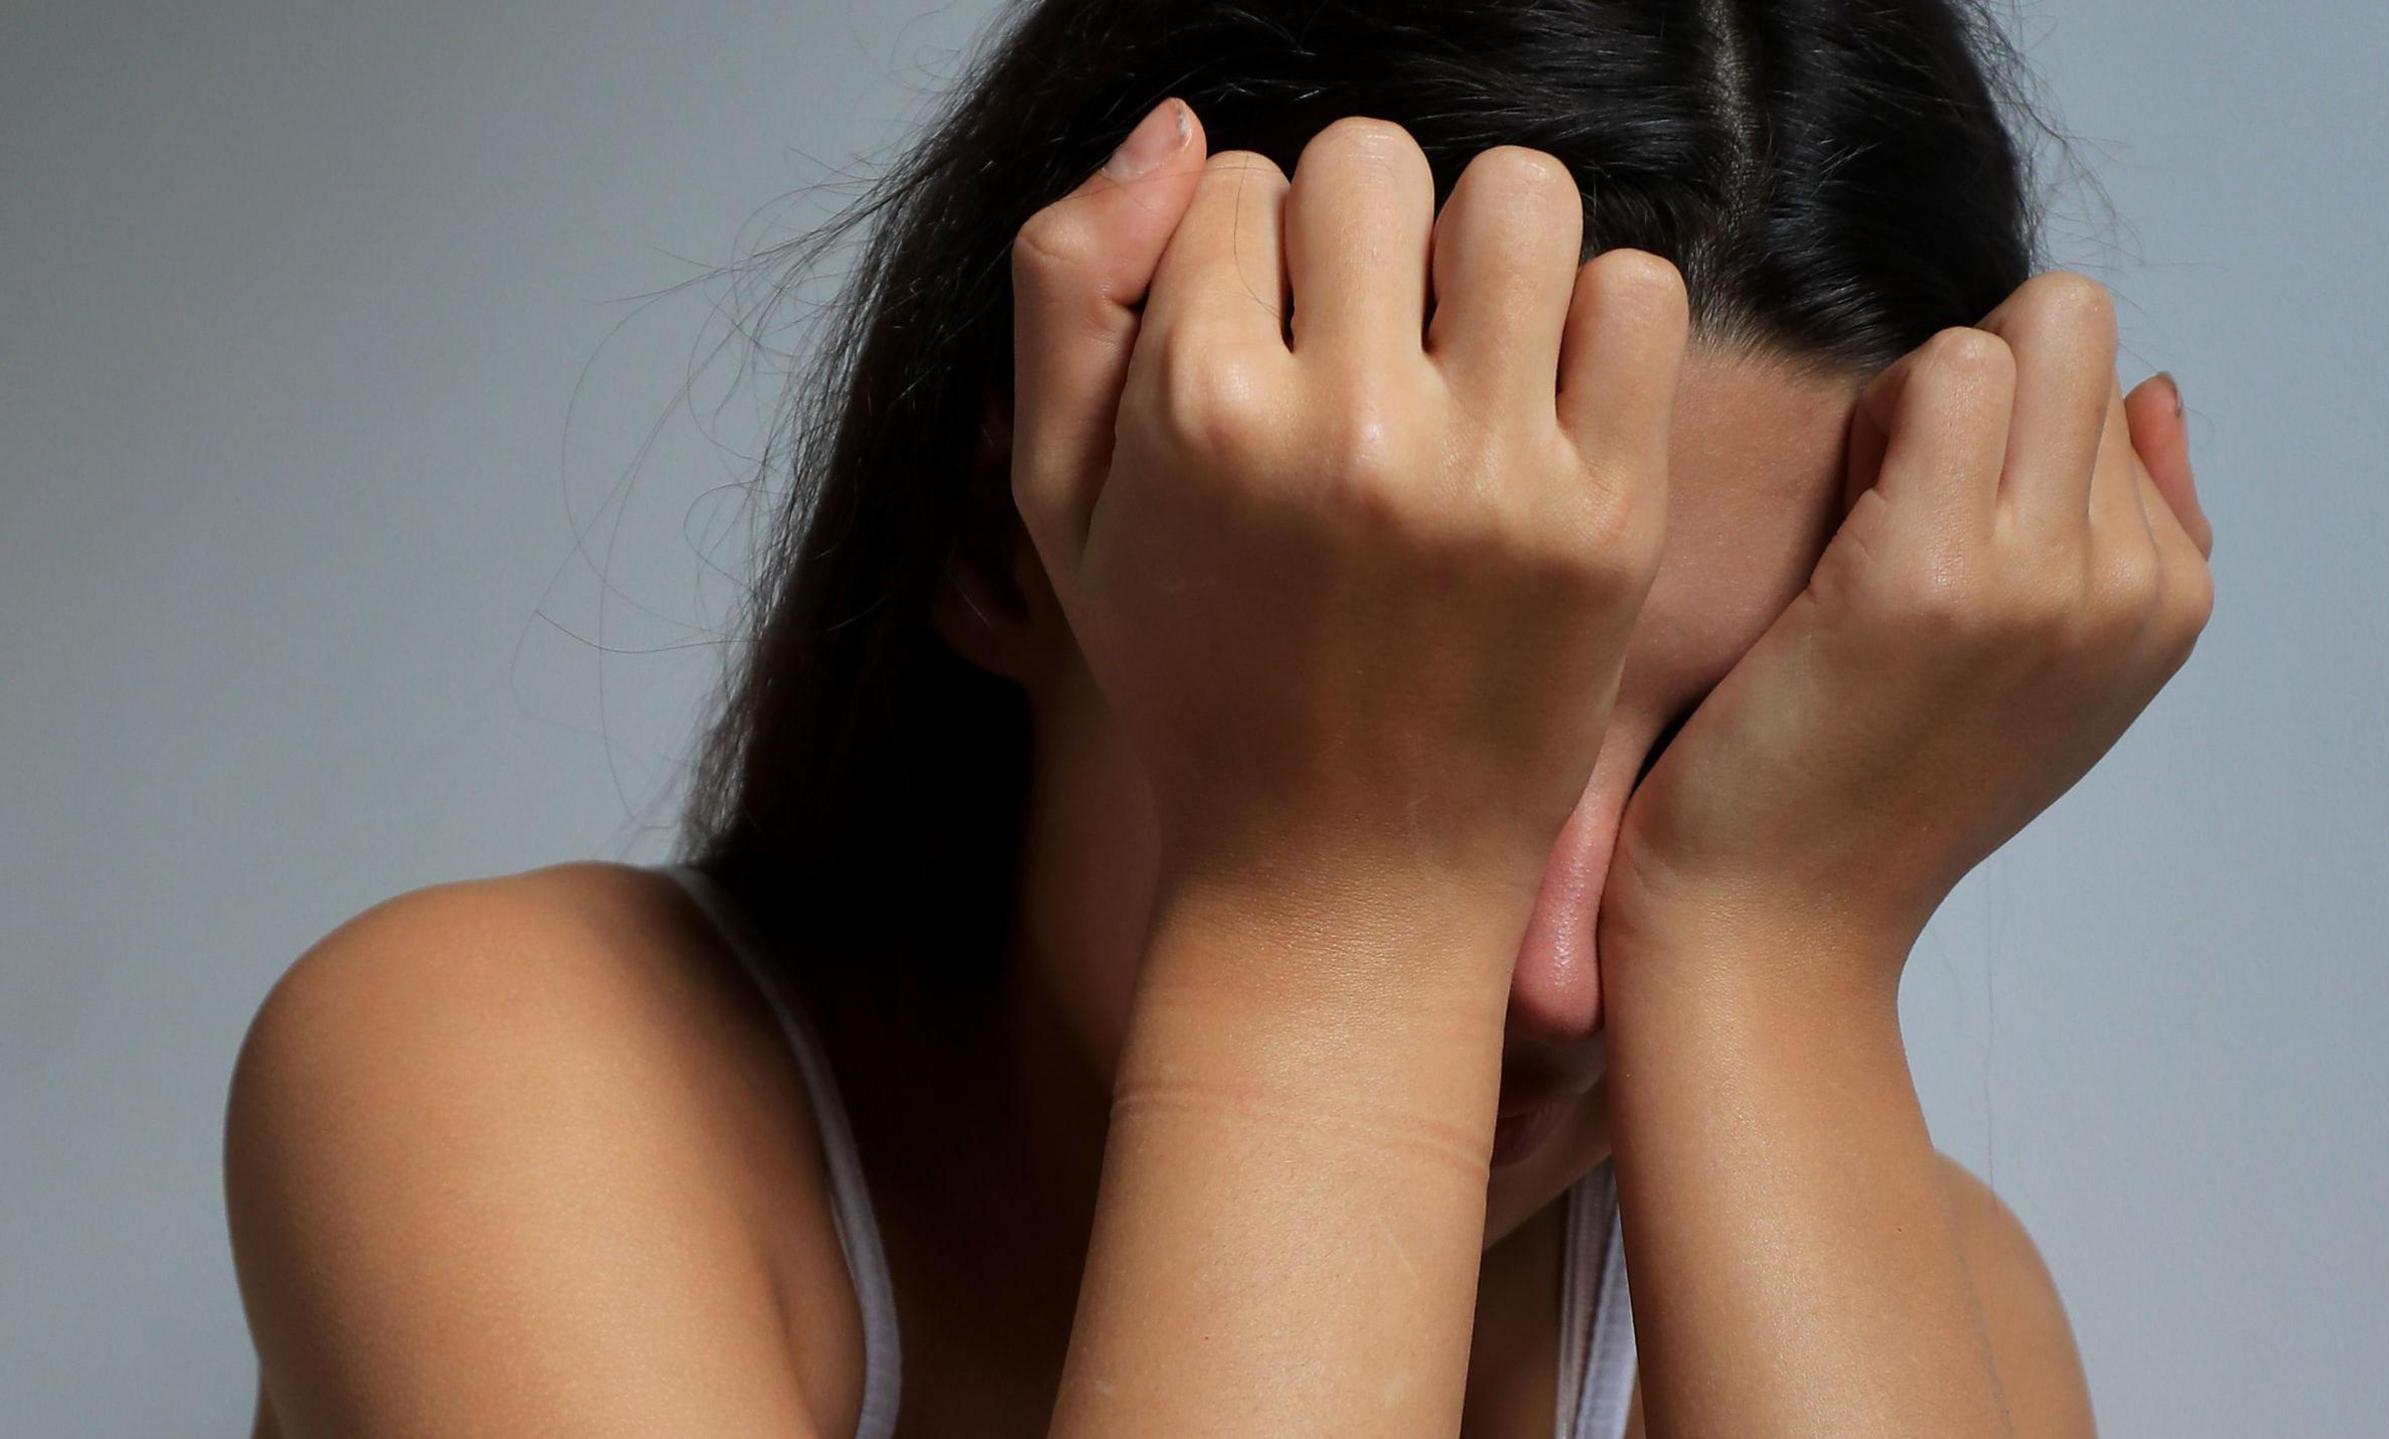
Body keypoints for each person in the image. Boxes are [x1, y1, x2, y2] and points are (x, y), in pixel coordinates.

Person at [222, 1, 2214, 1434]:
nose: (1553, 978)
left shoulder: (1929, 1302)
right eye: (1462, 700)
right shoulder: (508, 1074)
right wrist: (1336, 903)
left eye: (1732, 756)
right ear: (1010, 546)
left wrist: (1778, 946)